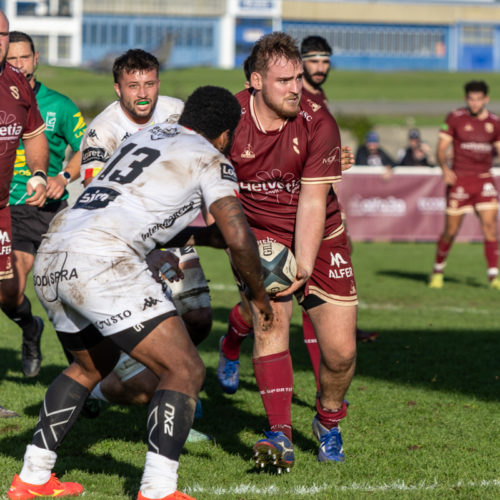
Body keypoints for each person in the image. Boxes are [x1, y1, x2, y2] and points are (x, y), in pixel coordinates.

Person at [7, 85, 273, 500]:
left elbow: (131, 212)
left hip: (54, 249)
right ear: (225, 135)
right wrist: (257, 297)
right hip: (101, 259)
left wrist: (205, 238)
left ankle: (32, 477)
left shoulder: (146, 137)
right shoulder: (211, 157)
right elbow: (239, 237)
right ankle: (157, 489)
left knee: (90, 367)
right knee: (185, 369)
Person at [218, 32, 357, 471]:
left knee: (341, 353)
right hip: (259, 235)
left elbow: (314, 201)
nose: (296, 88)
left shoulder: (319, 121)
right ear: (256, 81)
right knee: (271, 324)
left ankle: (328, 420)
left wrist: (305, 264)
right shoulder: (229, 119)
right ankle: (279, 433)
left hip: (323, 233)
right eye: (284, 80)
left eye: (298, 78)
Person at [79, 49, 211, 411]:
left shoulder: (178, 112)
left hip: (171, 229)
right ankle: (162, 387)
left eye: (149, 84)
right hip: (125, 241)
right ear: (117, 88)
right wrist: (145, 251)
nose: (142, 93)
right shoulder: (102, 132)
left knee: (199, 319)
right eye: (133, 85)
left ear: (158, 83)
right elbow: (96, 198)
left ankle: (172, 373)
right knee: (148, 332)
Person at [3, 31, 86, 378]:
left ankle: (83, 375)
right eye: (12, 58)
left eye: (24, 57)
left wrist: (63, 177)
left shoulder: (60, 105)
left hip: (53, 212)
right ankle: (29, 327)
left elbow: (88, 147)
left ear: (36, 59)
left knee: (65, 295)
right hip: (14, 211)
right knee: (8, 293)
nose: (19, 64)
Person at [0, 10, 48, 419]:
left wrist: (38, 173)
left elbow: (34, 136)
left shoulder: (16, 85)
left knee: (8, 294)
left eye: (1, 34)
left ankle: (29, 326)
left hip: (3, 210)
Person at [429, 80, 500, 289]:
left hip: (484, 180)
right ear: (466, 99)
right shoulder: (455, 117)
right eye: (471, 99)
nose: (475, 103)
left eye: (478, 99)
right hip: (460, 180)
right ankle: (438, 271)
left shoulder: (495, 122)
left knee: (490, 227)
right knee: (450, 231)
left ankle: (493, 276)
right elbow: (441, 148)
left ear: (486, 99)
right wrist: (445, 169)